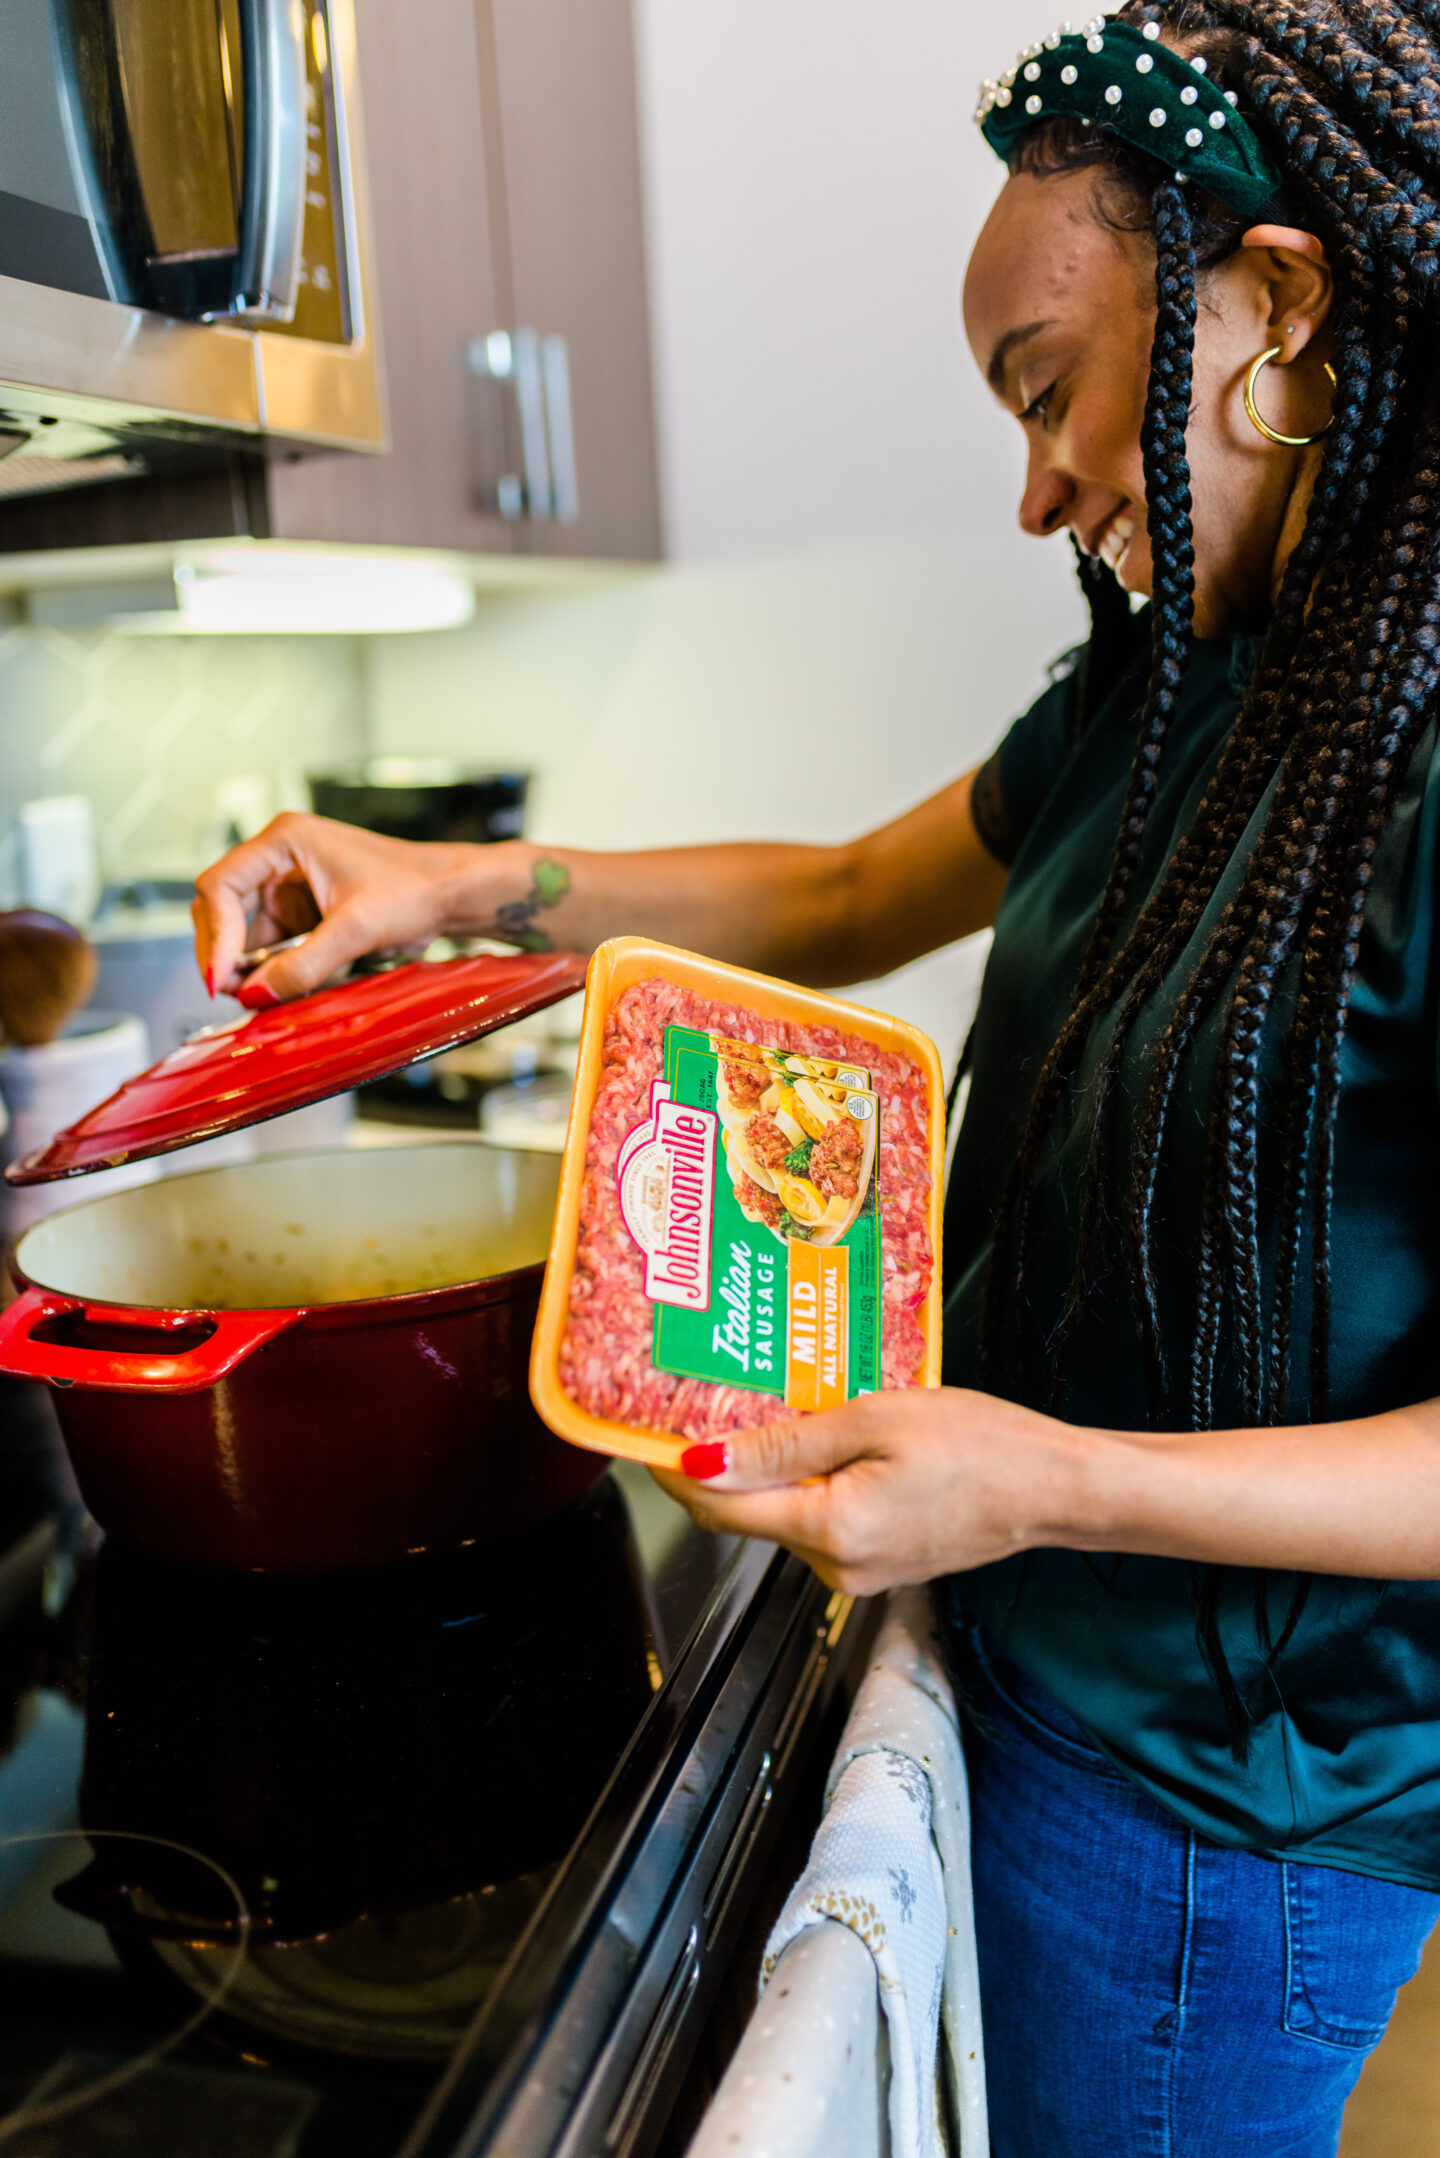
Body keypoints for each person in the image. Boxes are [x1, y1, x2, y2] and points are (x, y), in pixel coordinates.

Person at [193, 4, 1440, 2147]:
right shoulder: (1194, 681)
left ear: (1286, 306)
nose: (1035, 483)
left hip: (1220, 1830)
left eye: (1051, 393)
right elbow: (862, 882)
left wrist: (1041, 1474)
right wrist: (457, 883)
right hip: (1051, 1679)